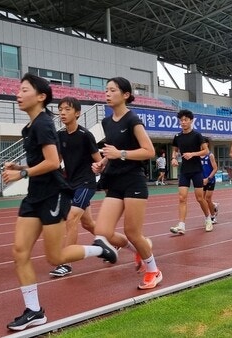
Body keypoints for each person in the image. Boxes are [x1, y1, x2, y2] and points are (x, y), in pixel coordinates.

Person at [3, 74, 117, 331]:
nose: (18, 94)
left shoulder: (43, 124)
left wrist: (21, 173)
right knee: (19, 252)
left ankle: (100, 249)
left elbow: (53, 163)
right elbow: (42, 161)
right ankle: (34, 311)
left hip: (53, 194)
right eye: (18, 90)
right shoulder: (30, 128)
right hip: (34, 196)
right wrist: (20, 166)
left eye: (24, 90)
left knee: (55, 256)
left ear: (41, 97)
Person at [92, 77, 162, 290]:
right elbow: (112, 150)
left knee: (132, 231)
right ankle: (140, 250)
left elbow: (148, 151)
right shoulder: (106, 122)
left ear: (125, 95)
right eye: (106, 90)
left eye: (112, 90)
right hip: (115, 180)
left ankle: (153, 270)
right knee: (102, 231)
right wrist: (103, 162)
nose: (107, 93)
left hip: (134, 180)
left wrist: (120, 153)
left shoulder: (133, 120)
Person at [50, 97, 128, 278]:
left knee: (71, 219)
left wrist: (105, 174)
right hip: (70, 184)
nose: (62, 112)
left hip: (86, 183)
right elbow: (58, 160)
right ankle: (111, 242)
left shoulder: (85, 135)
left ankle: (66, 262)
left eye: (67, 109)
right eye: (60, 109)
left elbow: (98, 160)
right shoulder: (60, 136)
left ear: (77, 113)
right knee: (88, 224)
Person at [169, 109, 213, 234]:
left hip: (196, 170)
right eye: (181, 120)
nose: (183, 122)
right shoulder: (177, 137)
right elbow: (175, 150)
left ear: (191, 121)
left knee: (200, 198)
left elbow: (205, 151)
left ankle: (208, 218)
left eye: (185, 120)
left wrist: (192, 154)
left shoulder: (197, 135)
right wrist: (173, 158)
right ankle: (181, 225)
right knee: (182, 198)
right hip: (184, 171)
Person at [201, 137, 219, 225]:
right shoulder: (198, 156)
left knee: (207, 198)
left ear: (207, 144)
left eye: (203, 143)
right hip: (201, 180)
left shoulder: (210, 155)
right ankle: (214, 205)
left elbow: (215, 169)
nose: (201, 145)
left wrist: (208, 178)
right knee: (202, 199)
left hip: (210, 180)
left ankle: (213, 217)